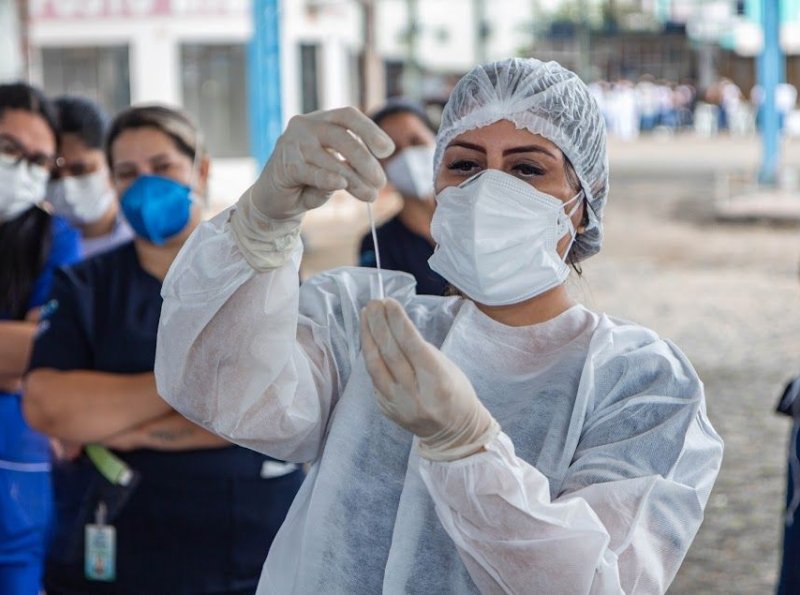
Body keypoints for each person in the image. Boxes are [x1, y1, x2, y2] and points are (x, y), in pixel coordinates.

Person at [155, 58, 724, 593]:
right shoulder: (367, 326)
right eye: (465, 165)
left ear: (584, 199)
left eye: (527, 168)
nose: (488, 189)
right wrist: (261, 224)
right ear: (437, 186)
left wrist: (468, 449)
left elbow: (598, 582)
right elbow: (219, 390)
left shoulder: (640, 383)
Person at [23, 105, 304, 594]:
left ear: (201, 168)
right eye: (127, 172)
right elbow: (49, 406)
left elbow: (269, 404)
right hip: (129, 541)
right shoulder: (86, 285)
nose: (145, 182)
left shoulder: (260, 272)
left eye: (163, 166)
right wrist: (206, 383)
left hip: (251, 543)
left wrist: (120, 421)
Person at [0, 82, 81, 595]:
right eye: (9, 148)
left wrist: (24, 354)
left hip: (14, 454)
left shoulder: (57, 239)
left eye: (38, 160)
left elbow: (42, 351)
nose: (22, 168)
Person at [358, 98, 446, 295]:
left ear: (438, 142)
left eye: (416, 141)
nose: (408, 156)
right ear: (379, 166)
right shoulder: (378, 244)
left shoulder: (475, 224)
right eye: (393, 150)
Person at [48, 95, 133, 258]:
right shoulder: (27, 247)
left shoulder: (146, 243)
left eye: (79, 169)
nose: (65, 184)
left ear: (112, 164)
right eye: (54, 174)